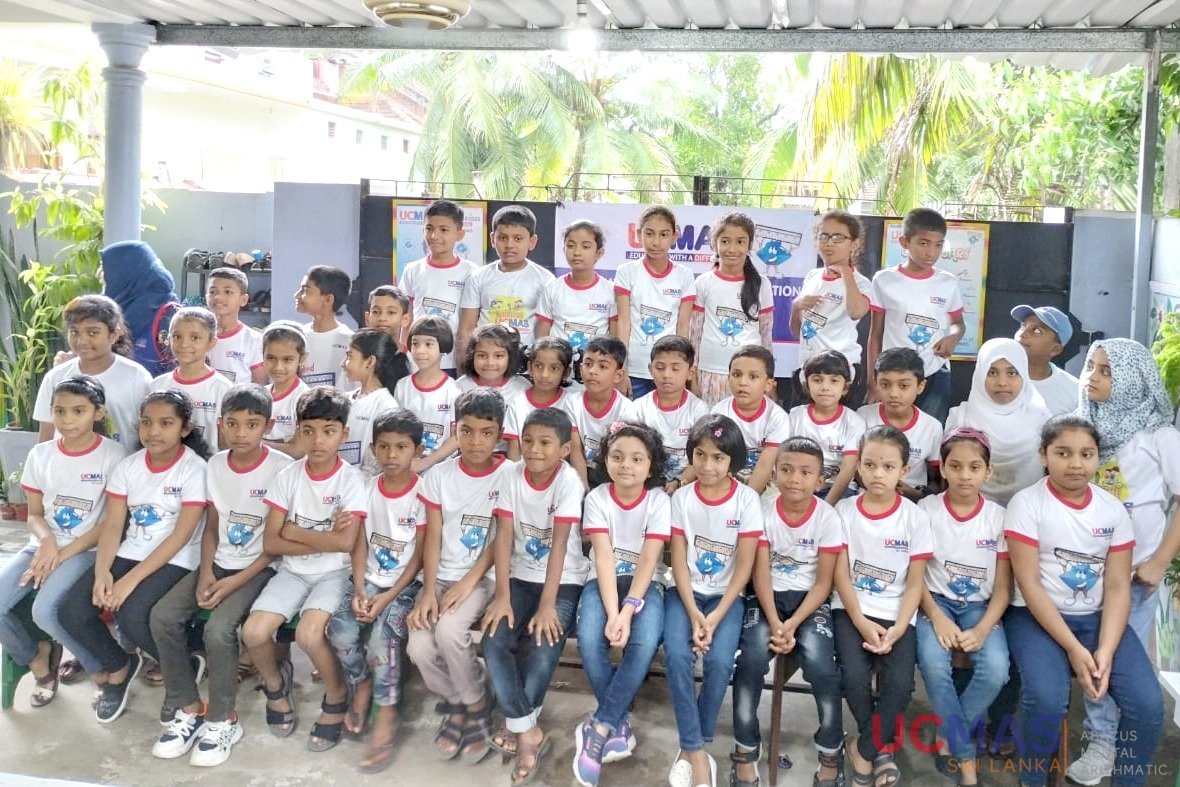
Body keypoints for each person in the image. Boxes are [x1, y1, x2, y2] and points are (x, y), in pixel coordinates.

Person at [1004, 416, 1164, 787]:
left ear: (1097, 457)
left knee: (1147, 705)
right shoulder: (1026, 504)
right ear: (1043, 455)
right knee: (1047, 700)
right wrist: (1075, 649)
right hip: (1035, 619)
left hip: (1097, 619)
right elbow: (1029, 584)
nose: (1076, 463)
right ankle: (1033, 780)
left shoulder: (1111, 510)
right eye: (1063, 453)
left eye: (1086, 454)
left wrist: (1104, 650)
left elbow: (1118, 587)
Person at [148, 384, 291, 766]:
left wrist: (232, 582)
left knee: (219, 629)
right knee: (163, 616)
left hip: (260, 568)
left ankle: (223, 718)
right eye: (233, 423)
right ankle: (189, 706)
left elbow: (274, 545)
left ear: (268, 426)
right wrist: (207, 572)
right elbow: (212, 525)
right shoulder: (214, 465)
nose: (241, 433)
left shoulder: (281, 468)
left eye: (252, 424)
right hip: (219, 563)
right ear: (221, 424)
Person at [57, 390, 212, 723]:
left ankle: (180, 682)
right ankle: (121, 665)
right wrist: (103, 573)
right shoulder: (129, 466)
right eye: (146, 422)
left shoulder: (194, 469)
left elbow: (181, 536)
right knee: (72, 610)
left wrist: (128, 581)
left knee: (132, 614)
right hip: (131, 551)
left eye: (166, 423)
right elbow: (114, 526)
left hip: (177, 558)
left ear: (185, 428)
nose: (153, 431)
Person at [1068, 339, 1180, 785]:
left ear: (1134, 379)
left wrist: (1159, 561)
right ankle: (1102, 741)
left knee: (1119, 658)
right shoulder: (1082, 427)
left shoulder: (1159, 436)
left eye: (1106, 370)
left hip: (1136, 575)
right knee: (1099, 655)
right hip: (1084, 571)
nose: (1091, 377)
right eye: (1090, 367)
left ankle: (1119, 744)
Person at [240, 386, 368, 752]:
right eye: (309, 431)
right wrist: (324, 536)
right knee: (253, 632)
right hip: (292, 572)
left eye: (329, 431)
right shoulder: (288, 476)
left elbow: (345, 545)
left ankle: (336, 693)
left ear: (344, 433)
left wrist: (294, 531)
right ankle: (276, 686)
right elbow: (271, 543)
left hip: (334, 573)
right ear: (298, 430)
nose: (318, 440)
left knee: (309, 635)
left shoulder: (351, 480)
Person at [1, 377, 127, 708]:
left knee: (46, 611)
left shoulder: (113, 455)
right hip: (42, 546)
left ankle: (99, 669)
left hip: (86, 550)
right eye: (59, 411)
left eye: (78, 411)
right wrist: (46, 542)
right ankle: (38, 659)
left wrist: (61, 553)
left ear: (98, 413)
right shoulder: (40, 454)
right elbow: (34, 514)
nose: (67, 419)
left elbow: (110, 523)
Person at [730, 437, 845, 787]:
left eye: (806, 472)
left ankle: (830, 753)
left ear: (820, 479)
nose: (795, 478)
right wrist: (775, 621)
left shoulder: (828, 518)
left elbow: (824, 583)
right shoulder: (762, 512)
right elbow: (760, 574)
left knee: (823, 667)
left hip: (810, 602)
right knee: (750, 662)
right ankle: (745, 748)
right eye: (787, 470)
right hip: (767, 599)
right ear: (774, 474)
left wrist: (792, 623)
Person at [481, 408, 586, 786]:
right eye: (528, 441)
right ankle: (528, 729)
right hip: (519, 577)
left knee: (544, 642)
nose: (534, 449)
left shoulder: (569, 481)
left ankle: (519, 727)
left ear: (565, 449)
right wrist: (502, 595)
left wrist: (547, 606)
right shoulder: (510, 473)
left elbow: (559, 546)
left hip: (564, 580)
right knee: (493, 640)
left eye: (545, 443)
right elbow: (504, 536)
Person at [406, 389, 511, 763]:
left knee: (450, 633)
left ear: (500, 434)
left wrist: (468, 583)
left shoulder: (509, 475)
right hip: (439, 577)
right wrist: (428, 592)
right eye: (467, 431)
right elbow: (432, 537)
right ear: (455, 430)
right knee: (418, 647)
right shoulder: (439, 476)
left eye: (486, 432)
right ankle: (459, 698)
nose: (476, 441)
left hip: (482, 578)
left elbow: (501, 539)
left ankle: (476, 704)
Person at [326, 409, 427, 773]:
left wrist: (387, 597)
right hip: (367, 578)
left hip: (406, 584)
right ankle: (361, 683)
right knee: (339, 630)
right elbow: (359, 544)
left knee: (383, 640)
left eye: (401, 447)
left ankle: (386, 713)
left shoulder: (424, 494)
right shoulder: (366, 489)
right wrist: (358, 588)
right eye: (383, 447)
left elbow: (420, 556)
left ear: (418, 450)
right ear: (372, 449)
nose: (391, 455)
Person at [664, 414, 762, 787]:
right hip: (685, 594)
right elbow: (678, 560)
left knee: (720, 661)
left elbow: (745, 567)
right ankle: (698, 755)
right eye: (700, 455)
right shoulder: (682, 499)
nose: (708, 465)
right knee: (677, 655)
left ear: (733, 461)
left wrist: (716, 616)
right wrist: (693, 613)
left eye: (718, 458)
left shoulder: (747, 500)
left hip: (727, 598)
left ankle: (691, 747)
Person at [832, 425, 932, 787]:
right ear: (858, 465)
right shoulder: (843, 512)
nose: (878, 474)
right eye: (870, 464)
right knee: (853, 678)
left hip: (897, 614)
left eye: (888, 467)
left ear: (905, 470)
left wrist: (900, 627)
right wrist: (860, 621)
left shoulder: (915, 517)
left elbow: (915, 582)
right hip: (850, 610)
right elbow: (840, 576)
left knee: (901, 686)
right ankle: (880, 749)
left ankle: (863, 749)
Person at [574, 422, 670, 786]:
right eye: (617, 457)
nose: (626, 465)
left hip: (647, 584)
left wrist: (627, 611)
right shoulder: (597, 499)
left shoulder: (659, 501)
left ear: (651, 465)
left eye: (636, 459)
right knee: (589, 638)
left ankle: (600, 726)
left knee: (644, 642)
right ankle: (618, 722)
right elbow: (603, 557)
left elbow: (649, 560)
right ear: (605, 460)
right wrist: (613, 614)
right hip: (603, 580)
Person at [916, 429, 1011, 787]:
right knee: (933, 664)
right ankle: (966, 758)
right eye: (955, 466)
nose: (965, 475)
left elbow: (1003, 590)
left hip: (979, 608)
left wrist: (983, 629)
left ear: (988, 471)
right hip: (934, 602)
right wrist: (936, 617)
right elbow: (915, 578)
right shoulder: (926, 510)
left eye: (974, 467)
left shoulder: (999, 518)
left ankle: (947, 734)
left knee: (996, 669)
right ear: (942, 469)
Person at [867, 208, 964, 424]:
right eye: (923, 243)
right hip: (893, 374)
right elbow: (875, 334)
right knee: (889, 437)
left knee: (930, 435)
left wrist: (954, 337)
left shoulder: (948, 282)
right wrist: (872, 381)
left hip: (935, 372)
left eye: (938, 245)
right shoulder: (883, 280)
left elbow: (958, 324)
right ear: (904, 242)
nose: (931, 252)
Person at [34, 294, 151, 449]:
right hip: (66, 463)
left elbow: (148, 429)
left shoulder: (136, 377)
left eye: (92, 332)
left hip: (120, 463)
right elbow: (45, 438)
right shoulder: (56, 377)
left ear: (114, 334)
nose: (82, 341)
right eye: (74, 332)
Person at [946, 338, 1051, 506]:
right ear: (980, 374)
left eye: (1012, 373)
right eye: (992, 373)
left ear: (1024, 375)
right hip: (971, 510)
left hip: (1031, 509)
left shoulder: (1042, 419)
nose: (1002, 383)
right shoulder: (960, 417)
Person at [788, 210, 872, 410]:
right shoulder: (812, 276)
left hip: (839, 371)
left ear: (854, 244)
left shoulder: (861, 282)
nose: (829, 243)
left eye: (838, 237)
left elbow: (856, 312)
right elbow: (797, 333)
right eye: (823, 236)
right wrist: (796, 306)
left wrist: (846, 273)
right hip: (807, 370)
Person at [691, 212, 774, 407]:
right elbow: (694, 333)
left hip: (749, 376)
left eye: (740, 242)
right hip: (710, 373)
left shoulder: (762, 284)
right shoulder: (703, 282)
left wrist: (768, 376)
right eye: (725, 241)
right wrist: (693, 375)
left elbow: (766, 335)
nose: (732, 249)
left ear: (750, 245)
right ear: (715, 244)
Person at [613, 206, 696, 398]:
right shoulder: (626, 272)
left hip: (669, 372)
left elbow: (683, 326)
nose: (656, 242)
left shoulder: (685, 275)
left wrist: (680, 369)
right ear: (639, 234)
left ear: (674, 236)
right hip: (634, 369)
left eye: (663, 234)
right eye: (649, 233)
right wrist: (622, 368)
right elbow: (623, 323)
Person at [457, 205, 555, 360]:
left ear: (532, 241)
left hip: (525, 362)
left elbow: (547, 332)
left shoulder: (546, 280)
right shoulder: (477, 277)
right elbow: (466, 329)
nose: (509, 245)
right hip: (487, 361)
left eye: (518, 239)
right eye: (502, 238)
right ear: (492, 239)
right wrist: (464, 369)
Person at [397, 199, 479, 375]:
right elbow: (406, 317)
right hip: (417, 360)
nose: (434, 236)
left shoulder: (472, 272)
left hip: (452, 361)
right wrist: (404, 353)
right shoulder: (412, 269)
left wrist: (463, 363)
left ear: (459, 234)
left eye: (444, 230)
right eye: (429, 229)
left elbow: (471, 324)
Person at [857, 348, 943, 501]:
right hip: (868, 495)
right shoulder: (863, 417)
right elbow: (853, 466)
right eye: (885, 384)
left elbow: (939, 479)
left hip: (912, 500)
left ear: (920, 386)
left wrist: (917, 494)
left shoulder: (932, 427)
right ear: (876, 383)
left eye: (903, 386)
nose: (893, 394)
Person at [147, 306, 233, 451]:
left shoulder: (223, 389)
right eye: (177, 337)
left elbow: (227, 444)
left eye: (195, 338)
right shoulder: (158, 386)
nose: (184, 344)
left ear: (211, 342)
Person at [632, 335, 708, 494]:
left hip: (688, 481)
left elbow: (703, 456)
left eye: (675, 368)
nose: (666, 375)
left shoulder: (699, 410)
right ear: (650, 369)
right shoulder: (639, 407)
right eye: (660, 367)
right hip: (647, 480)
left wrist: (680, 482)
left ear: (690, 372)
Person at [709, 344, 790, 495]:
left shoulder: (778, 418)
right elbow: (715, 457)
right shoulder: (719, 413)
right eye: (736, 374)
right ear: (728, 378)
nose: (743, 382)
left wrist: (747, 500)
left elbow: (765, 466)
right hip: (725, 479)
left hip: (765, 482)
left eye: (753, 377)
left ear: (768, 384)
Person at [788, 350, 867, 504]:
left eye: (834, 381)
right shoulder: (795, 416)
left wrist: (827, 506)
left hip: (838, 489)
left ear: (845, 388)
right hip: (800, 485)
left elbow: (848, 469)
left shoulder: (854, 422)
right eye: (817, 380)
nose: (825, 387)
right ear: (806, 385)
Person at [503, 337, 583, 477]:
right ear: (530, 367)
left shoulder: (570, 403)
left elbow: (575, 450)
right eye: (539, 366)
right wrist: (515, 482)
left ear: (566, 373)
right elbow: (514, 452)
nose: (545, 374)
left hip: (560, 477)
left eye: (554, 368)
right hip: (526, 475)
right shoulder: (517, 403)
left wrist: (582, 485)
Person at [99, 239, 180, 377]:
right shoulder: (110, 312)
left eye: (105, 269)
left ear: (125, 271)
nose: (100, 275)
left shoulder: (169, 317)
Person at [535, 220, 617, 351]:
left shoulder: (611, 291)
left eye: (585, 247)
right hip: (559, 362)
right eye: (571, 245)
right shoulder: (552, 289)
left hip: (594, 362)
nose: (577, 252)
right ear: (564, 249)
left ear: (599, 253)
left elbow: (614, 341)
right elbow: (542, 338)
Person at [394, 316, 462, 472]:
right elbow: (395, 429)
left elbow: (456, 437)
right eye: (415, 344)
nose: (420, 351)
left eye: (429, 344)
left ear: (443, 348)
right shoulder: (402, 386)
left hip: (441, 469)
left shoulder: (454, 391)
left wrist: (425, 463)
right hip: (406, 465)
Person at [567, 337, 635, 487]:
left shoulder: (627, 410)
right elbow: (576, 449)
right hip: (581, 470)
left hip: (612, 475)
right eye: (588, 364)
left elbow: (622, 456)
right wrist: (583, 487)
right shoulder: (572, 402)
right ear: (580, 368)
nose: (592, 371)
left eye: (603, 366)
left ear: (618, 375)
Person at [339, 328, 406, 475]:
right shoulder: (345, 398)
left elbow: (378, 462)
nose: (342, 363)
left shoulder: (386, 406)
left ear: (370, 361)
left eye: (349, 356)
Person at [1012, 304, 1079, 417]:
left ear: (1055, 349)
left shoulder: (1074, 391)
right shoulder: (994, 376)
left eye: (1037, 331)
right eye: (1023, 326)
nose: (1022, 334)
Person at [295, 265, 355, 390]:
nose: (297, 295)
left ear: (328, 299)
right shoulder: (297, 336)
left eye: (305, 290)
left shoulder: (350, 341)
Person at [205, 267, 265, 385]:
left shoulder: (254, 340)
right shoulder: (198, 336)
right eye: (212, 292)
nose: (218, 297)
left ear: (243, 299)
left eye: (228, 292)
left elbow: (259, 387)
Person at [260, 321, 310, 458]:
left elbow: (298, 451)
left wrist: (255, 444)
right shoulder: (260, 394)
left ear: (302, 358)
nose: (278, 367)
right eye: (271, 358)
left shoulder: (305, 399)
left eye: (287, 359)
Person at [456, 323, 530, 398]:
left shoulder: (523, 387)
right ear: (472, 357)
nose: (490, 363)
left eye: (498, 356)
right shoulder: (460, 387)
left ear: (511, 358)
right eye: (482, 356)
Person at [365, 284, 412, 352]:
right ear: (367, 318)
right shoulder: (356, 353)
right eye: (375, 311)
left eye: (391, 312)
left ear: (405, 320)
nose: (382, 318)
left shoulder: (412, 357)